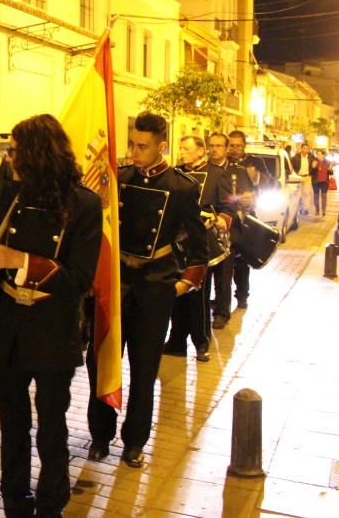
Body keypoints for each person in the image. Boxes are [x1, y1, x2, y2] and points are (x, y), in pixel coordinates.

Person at [0, 115, 102, 518]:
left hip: (53, 327)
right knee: (12, 423)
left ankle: (51, 503)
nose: (11, 156)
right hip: (9, 325)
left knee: (52, 426)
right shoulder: (11, 194)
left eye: (18, 149)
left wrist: (21, 260)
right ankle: (14, 501)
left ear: (40, 153)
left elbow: (78, 278)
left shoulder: (84, 205)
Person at [86, 112, 208, 469]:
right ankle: (100, 435)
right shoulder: (118, 180)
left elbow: (200, 247)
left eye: (143, 146)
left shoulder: (181, 187)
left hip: (154, 288)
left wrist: (184, 284)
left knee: (143, 371)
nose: (135, 152)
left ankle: (135, 440)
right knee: (102, 363)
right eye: (132, 144)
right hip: (115, 284)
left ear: (161, 146)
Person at [165, 135, 233, 362]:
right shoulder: (175, 173)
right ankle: (176, 341)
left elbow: (228, 205)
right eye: (181, 148)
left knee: (199, 295)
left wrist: (223, 219)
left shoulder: (217, 174)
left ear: (200, 151)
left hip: (201, 243)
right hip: (176, 244)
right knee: (177, 294)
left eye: (187, 149)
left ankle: (201, 342)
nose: (182, 152)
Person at [207, 132, 255, 328]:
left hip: (230, 227)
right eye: (212, 145)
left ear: (226, 148)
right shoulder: (205, 170)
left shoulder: (238, 172)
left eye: (219, 145)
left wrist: (247, 200)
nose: (215, 149)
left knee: (224, 273)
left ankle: (222, 312)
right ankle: (211, 305)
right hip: (208, 227)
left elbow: (247, 197)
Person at [226, 131, 268, 310]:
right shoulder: (224, 164)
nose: (235, 149)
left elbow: (271, 183)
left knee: (242, 261)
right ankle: (222, 299)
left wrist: (257, 180)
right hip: (227, 216)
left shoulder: (255, 163)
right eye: (232, 145)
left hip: (245, 218)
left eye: (238, 145)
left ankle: (242, 295)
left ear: (244, 146)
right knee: (224, 261)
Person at [291, 143, 316, 216]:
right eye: (304, 148)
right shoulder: (295, 157)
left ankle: (305, 209)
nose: (305, 150)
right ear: (301, 149)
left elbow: (315, 166)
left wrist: (312, 172)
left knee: (307, 193)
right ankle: (297, 208)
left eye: (307, 148)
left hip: (307, 177)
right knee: (297, 193)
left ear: (309, 149)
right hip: (298, 177)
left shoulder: (311, 157)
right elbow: (292, 167)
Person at [312, 150, 333, 216]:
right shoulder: (314, 161)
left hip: (324, 181)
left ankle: (323, 210)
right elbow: (311, 171)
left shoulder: (327, 162)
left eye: (320, 154)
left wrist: (330, 170)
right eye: (317, 154)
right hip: (316, 181)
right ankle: (317, 209)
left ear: (323, 155)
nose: (318, 155)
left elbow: (331, 173)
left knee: (324, 195)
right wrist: (313, 166)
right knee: (316, 196)